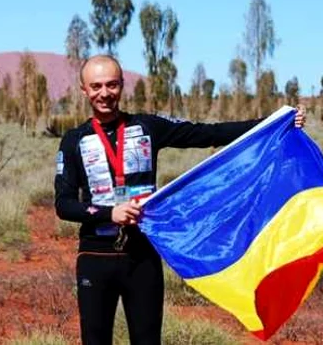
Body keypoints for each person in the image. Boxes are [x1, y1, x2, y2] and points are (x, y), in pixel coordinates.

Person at [54, 54, 306, 345]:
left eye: (112, 85)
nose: (105, 93)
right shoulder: (73, 140)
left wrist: (274, 123)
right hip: (95, 258)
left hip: (143, 256)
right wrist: (108, 213)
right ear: (84, 89)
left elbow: (206, 133)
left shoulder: (147, 127)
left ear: (122, 85)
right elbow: (64, 203)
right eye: (96, 86)